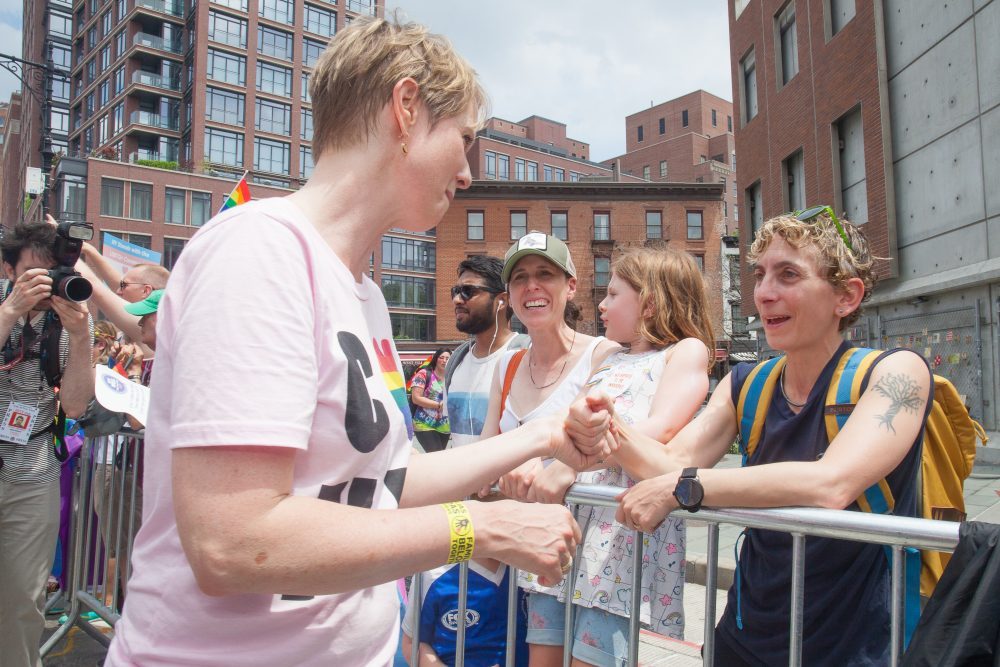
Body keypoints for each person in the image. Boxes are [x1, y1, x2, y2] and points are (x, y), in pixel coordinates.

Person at [105, 18, 608, 666]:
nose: (466, 172)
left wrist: (544, 436)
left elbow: (383, 480)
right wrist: (478, 525)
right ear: (406, 108)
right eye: (463, 140)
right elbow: (232, 543)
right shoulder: (260, 252)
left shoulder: (364, 295)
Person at [571, 210, 932, 666]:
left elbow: (831, 483)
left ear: (846, 296)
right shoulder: (747, 383)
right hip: (745, 636)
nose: (764, 293)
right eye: (760, 275)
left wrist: (684, 487)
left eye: (788, 275)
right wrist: (606, 423)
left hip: (858, 645)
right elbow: (670, 462)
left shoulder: (897, 372)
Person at [515, 247, 715, 665]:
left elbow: (661, 428)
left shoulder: (685, 351)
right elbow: (569, 424)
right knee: (543, 651)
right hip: (570, 528)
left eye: (613, 294)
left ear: (650, 302)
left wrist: (570, 464)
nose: (602, 306)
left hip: (620, 539)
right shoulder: (609, 355)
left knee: (595, 654)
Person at [477, 231, 619, 667]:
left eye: (545, 274)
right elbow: (483, 458)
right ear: (508, 296)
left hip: (597, 559)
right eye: (520, 278)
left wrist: (550, 465)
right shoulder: (507, 364)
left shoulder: (604, 354)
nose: (532, 286)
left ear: (570, 286)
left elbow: (608, 442)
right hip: (526, 558)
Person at [0, 222, 94, 667]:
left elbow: (74, 405)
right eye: (33, 275)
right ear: (8, 270)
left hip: (34, 472)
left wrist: (81, 336)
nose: (46, 286)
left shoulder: (68, 317)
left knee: (24, 597)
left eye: (52, 274)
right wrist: (9, 312)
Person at [444, 255, 527, 449]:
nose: (457, 300)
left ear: (502, 301)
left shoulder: (527, 355)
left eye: (468, 291)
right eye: (455, 291)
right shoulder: (455, 361)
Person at [410, 348, 451, 453]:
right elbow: (416, 398)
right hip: (424, 423)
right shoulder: (423, 374)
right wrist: (438, 405)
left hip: (444, 426)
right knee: (436, 454)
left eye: (447, 358)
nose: (444, 361)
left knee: (439, 456)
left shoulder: (452, 377)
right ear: (436, 359)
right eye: (441, 357)